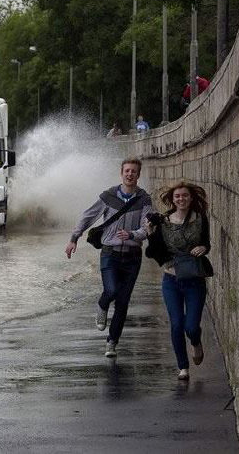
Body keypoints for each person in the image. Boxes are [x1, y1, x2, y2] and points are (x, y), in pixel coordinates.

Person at [65, 158, 152, 358]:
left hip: (132, 257)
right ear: (121, 173)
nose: (130, 174)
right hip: (110, 254)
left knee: (123, 302)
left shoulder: (144, 199)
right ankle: (102, 306)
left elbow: (148, 227)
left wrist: (132, 235)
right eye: (127, 171)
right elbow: (88, 216)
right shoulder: (108, 196)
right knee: (111, 290)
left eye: (134, 172)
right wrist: (73, 238)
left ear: (138, 175)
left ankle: (112, 342)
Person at [145, 181, 211, 380]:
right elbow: (155, 250)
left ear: (191, 198)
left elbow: (206, 242)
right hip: (171, 281)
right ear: (172, 200)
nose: (181, 199)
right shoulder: (164, 221)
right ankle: (183, 367)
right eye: (177, 196)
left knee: (190, 326)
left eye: (185, 195)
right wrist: (150, 234)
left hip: (194, 279)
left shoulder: (200, 219)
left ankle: (196, 342)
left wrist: (204, 248)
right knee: (176, 324)